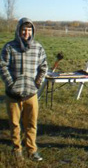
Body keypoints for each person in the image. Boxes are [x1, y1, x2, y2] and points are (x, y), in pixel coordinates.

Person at [0, 18, 48, 161]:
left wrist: (37, 84)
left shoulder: (38, 48)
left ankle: (32, 150)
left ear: (32, 31)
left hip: (31, 95)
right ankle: (17, 150)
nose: (26, 33)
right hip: (13, 95)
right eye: (23, 30)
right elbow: (2, 66)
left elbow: (44, 67)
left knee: (31, 124)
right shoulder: (9, 47)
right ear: (18, 30)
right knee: (14, 125)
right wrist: (11, 85)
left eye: (29, 30)